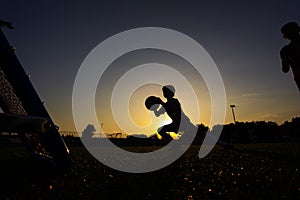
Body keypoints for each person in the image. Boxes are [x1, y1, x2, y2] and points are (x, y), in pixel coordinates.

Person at [145, 85, 234, 149]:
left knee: (202, 135)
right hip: (176, 124)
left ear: (171, 93)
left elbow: (170, 108)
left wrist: (161, 103)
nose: (164, 93)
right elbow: (157, 114)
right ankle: (175, 144)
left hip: (184, 123)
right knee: (161, 130)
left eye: (165, 92)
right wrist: (155, 107)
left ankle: (224, 144)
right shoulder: (166, 104)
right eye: (163, 92)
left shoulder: (174, 101)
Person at [280, 21, 300, 91]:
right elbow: (285, 69)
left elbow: (285, 70)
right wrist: (286, 59)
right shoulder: (286, 50)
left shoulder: (285, 50)